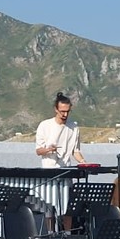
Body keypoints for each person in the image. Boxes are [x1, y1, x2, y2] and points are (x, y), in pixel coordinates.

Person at [34, 92, 86, 222]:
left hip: (65, 171)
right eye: (62, 111)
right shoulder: (45, 125)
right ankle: (51, 232)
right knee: (49, 209)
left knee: (67, 208)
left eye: (67, 111)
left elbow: (75, 151)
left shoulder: (74, 127)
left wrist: (83, 162)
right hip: (49, 172)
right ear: (56, 109)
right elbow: (38, 151)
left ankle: (67, 233)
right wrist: (48, 149)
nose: (65, 114)